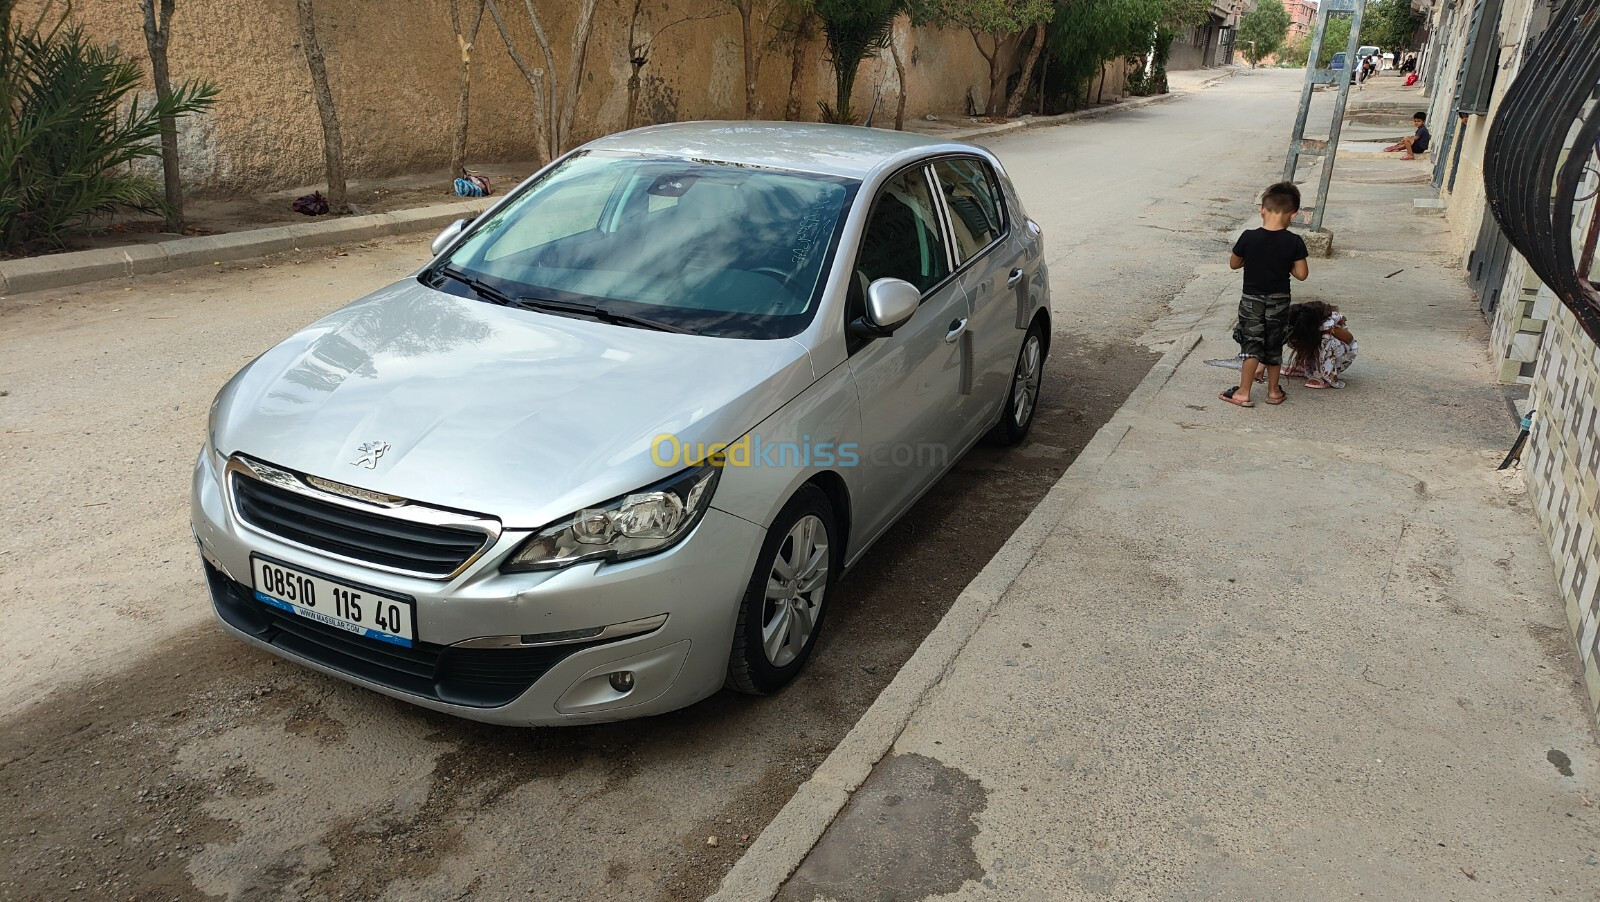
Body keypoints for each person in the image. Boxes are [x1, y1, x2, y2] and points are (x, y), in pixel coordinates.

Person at [1220, 182, 1310, 408]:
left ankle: (1243, 392)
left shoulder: (1248, 237)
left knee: (1251, 344)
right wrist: (1285, 262)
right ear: (1294, 214)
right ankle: (1273, 392)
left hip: (1251, 300)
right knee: (1274, 344)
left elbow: (1233, 264)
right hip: (1279, 300)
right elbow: (1302, 274)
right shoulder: (1294, 241)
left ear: (1262, 209)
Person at [1283, 301, 1358, 388]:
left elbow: (1350, 340)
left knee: (1325, 340)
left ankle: (1324, 374)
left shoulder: (1328, 328)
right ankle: (1306, 366)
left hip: (1342, 353)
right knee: (1303, 340)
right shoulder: (1308, 327)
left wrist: (1333, 331)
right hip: (1315, 342)